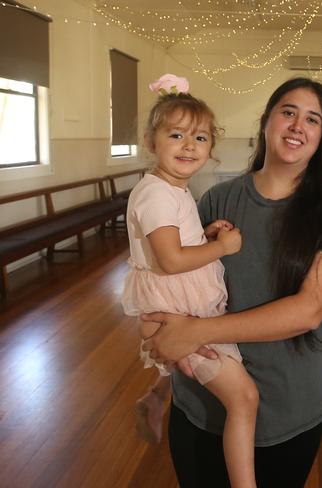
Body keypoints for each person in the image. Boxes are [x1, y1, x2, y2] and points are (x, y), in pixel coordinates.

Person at [140, 77, 322, 487]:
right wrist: (161, 382)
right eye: (288, 112)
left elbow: (308, 310)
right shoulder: (217, 200)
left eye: (312, 119)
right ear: (265, 122)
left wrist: (195, 332)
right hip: (203, 405)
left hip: (286, 410)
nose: (298, 125)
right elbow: (181, 289)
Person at [122, 74, 258, 488]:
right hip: (178, 307)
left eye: (199, 138)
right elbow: (170, 259)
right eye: (176, 134)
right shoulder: (157, 194)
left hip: (180, 304)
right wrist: (223, 248)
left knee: (191, 367)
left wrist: (202, 231)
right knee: (245, 399)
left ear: (210, 148)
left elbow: (173, 238)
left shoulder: (169, 189)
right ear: (151, 141)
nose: (188, 146)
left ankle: (155, 398)